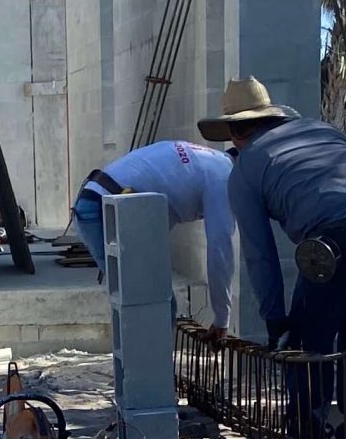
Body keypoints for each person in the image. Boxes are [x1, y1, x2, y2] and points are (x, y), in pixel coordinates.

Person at [201, 76, 346, 439]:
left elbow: (260, 255)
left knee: (307, 347)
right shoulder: (324, 131)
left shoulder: (244, 170)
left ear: (236, 133)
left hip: (332, 245)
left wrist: (276, 318)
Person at [66, 138, 237, 330]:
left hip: (102, 201)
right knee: (151, 302)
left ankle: (147, 356)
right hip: (104, 210)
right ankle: (148, 358)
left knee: (153, 299)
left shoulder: (208, 160)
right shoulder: (225, 178)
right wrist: (222, 319)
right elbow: (220, 250)